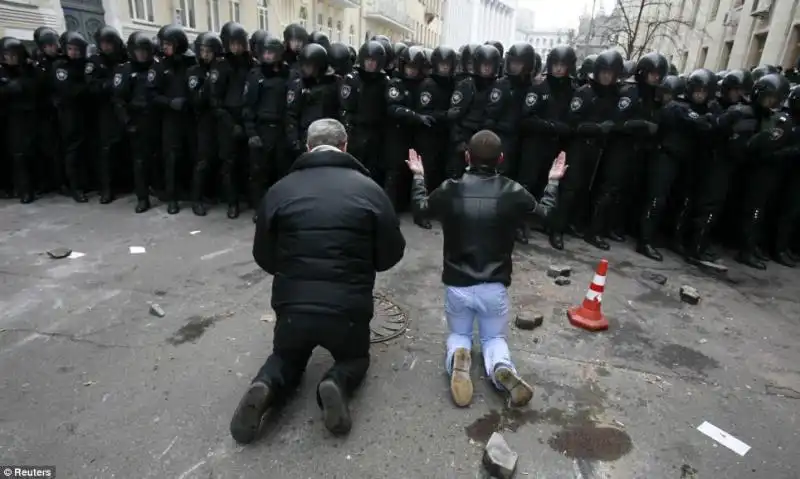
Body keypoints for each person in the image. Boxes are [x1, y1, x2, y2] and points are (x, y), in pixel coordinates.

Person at [230, 119, 406, 443]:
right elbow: (391, 255)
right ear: (345, 146)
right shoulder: (370, 190)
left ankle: (267, 384)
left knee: (287, 358)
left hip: (292, 308)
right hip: (347, 310)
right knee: (355, 358)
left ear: (307, 148)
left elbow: (263, 255)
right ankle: (336, 381)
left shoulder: (280, 189)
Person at [405, 129, 567, 408]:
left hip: (457, 283)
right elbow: (546, 215)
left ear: (467, 156)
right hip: (494, 286)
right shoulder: (512, 191)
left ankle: (459, 356)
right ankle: (502, 368)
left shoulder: (450, 188)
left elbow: (420, 209)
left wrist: (418, 176)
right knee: (494, 337)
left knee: (459, 334)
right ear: (501, 159)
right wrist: (552, 182)